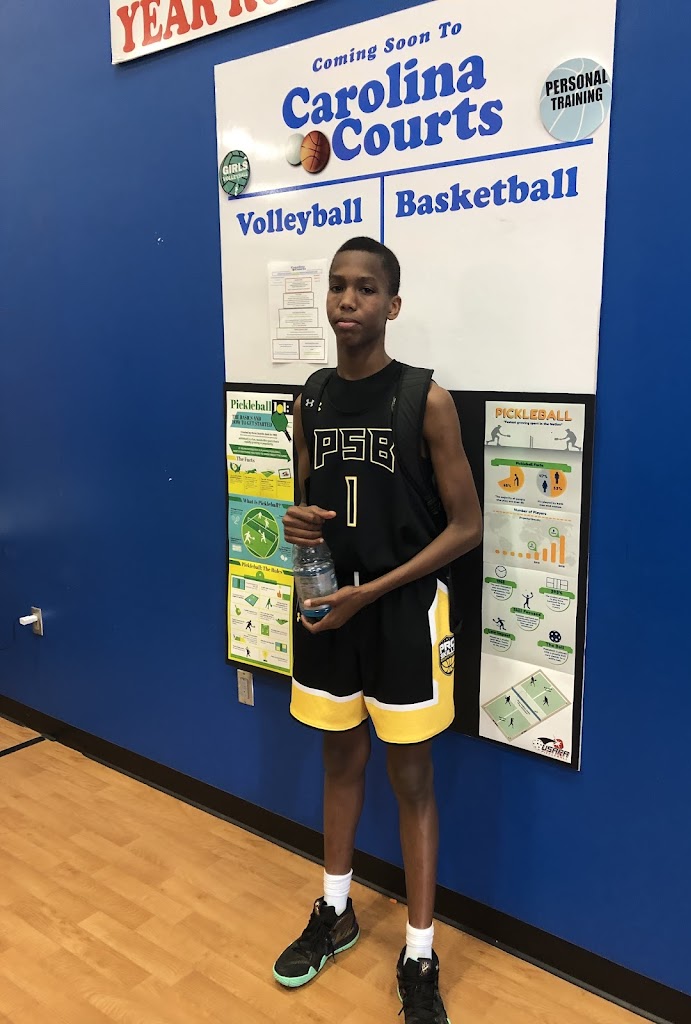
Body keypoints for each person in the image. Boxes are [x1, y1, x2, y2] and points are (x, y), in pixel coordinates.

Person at [273, 237, 482, 1023]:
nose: (347, 299)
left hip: (402, 614)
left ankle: (420, 953)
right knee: (338, 759)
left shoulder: (425, 399)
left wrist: (375, 592)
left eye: (365, 288)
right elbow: (308, 507)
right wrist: (296, 527)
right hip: (332, 608)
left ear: (392, 305)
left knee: (413, 779)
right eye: (337, 285)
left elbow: (466, 526)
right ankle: (336, 911)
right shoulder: (311, 399)